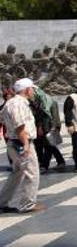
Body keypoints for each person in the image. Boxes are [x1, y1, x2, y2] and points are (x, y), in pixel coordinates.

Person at [0, 78, 45, 213]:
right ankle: (27, 204)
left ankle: (2, 201)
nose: (33, 92)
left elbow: (2, 118)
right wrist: (25, 144)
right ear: (26, 90)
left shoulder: (11, 103)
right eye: (32, 89)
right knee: (32, 173)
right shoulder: (18, 104)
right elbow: (20, 126)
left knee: (17, 173)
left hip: (13, 142)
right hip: (21, 142)